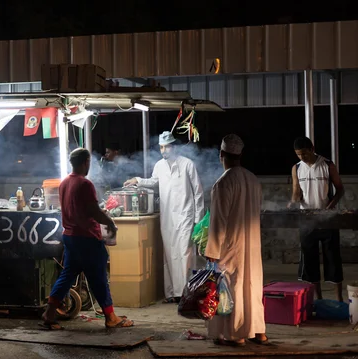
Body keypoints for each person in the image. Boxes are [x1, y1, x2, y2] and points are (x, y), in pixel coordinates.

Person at [41, 148, 134, 330]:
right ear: (86, 163)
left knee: (67, 276)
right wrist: (110, 223)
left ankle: (49, 313)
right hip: (87, 239)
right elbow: (94, 212)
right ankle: (111, 317)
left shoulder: (65, 182)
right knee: (99, 278)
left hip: (70, 237)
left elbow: (81, 209)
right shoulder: (85, 184)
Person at [124, 131, 204, 304]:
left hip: (185, 216)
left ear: (174, 146)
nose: (163, 150)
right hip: (167, 217)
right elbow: (154, 181)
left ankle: (187, 294)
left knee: (185, 254)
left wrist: (198, 219)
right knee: (169, 254)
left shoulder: (187, 164)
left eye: (166, 147)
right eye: (161, 147)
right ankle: (172, 294)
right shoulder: (160, 165)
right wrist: (137, 179)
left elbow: (198, 192)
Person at [205, 134, 267, 347]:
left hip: (232, 245)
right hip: (252, 244)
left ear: (221, 154)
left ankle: (237, 334)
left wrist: (212, 249)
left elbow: (218, 222)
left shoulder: (223, 183)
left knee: (233, 287)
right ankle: (258, 332)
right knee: (253, 286)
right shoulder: (252, 179)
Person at [288, 137, 344, 302]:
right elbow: (297, 192)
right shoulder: (297, 168)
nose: (302, 158)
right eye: (298, 155)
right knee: (310, 260)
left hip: (328, 219)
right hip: (306, 220)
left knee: (332, 258)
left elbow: (340, 189)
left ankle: (339, 299)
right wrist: (292, 202)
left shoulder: (327, 165)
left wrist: (330, 207)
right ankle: (318, 300)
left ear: (312, 148)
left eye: (304, 154)